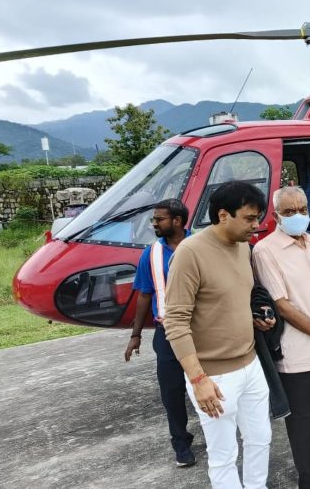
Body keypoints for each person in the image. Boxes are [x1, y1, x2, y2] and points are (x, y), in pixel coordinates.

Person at [163, 181, 273, 489]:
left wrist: (257, 317)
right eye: (249, 218)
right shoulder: (190, 253)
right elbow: (176, 321)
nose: (256, 225)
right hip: (214, 375)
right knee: (224, 454)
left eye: (257, 217)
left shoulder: (242, 247)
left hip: (250, 364)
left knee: (260, 439)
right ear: (223, 215)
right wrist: (198, 379)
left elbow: (236, 297)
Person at [252, 186, 310, 489]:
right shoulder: (265, 251)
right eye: (290, 211)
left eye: (303, 209)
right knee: (308, 428)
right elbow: (281, 304)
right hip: (299, 353)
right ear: (276, 215)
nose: (298, 216)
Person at [124, 198, 195, 468]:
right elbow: (144, 295)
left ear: (177, 221)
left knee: (211, 383)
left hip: (200, 329)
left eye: (159, 219)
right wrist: (136, 335)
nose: (154, 223)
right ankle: (181, 443)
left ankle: (217, 438)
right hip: (167, 333)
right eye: (154, 219)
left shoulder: (200, 245)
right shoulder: (151, 254)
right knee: (172, 391)